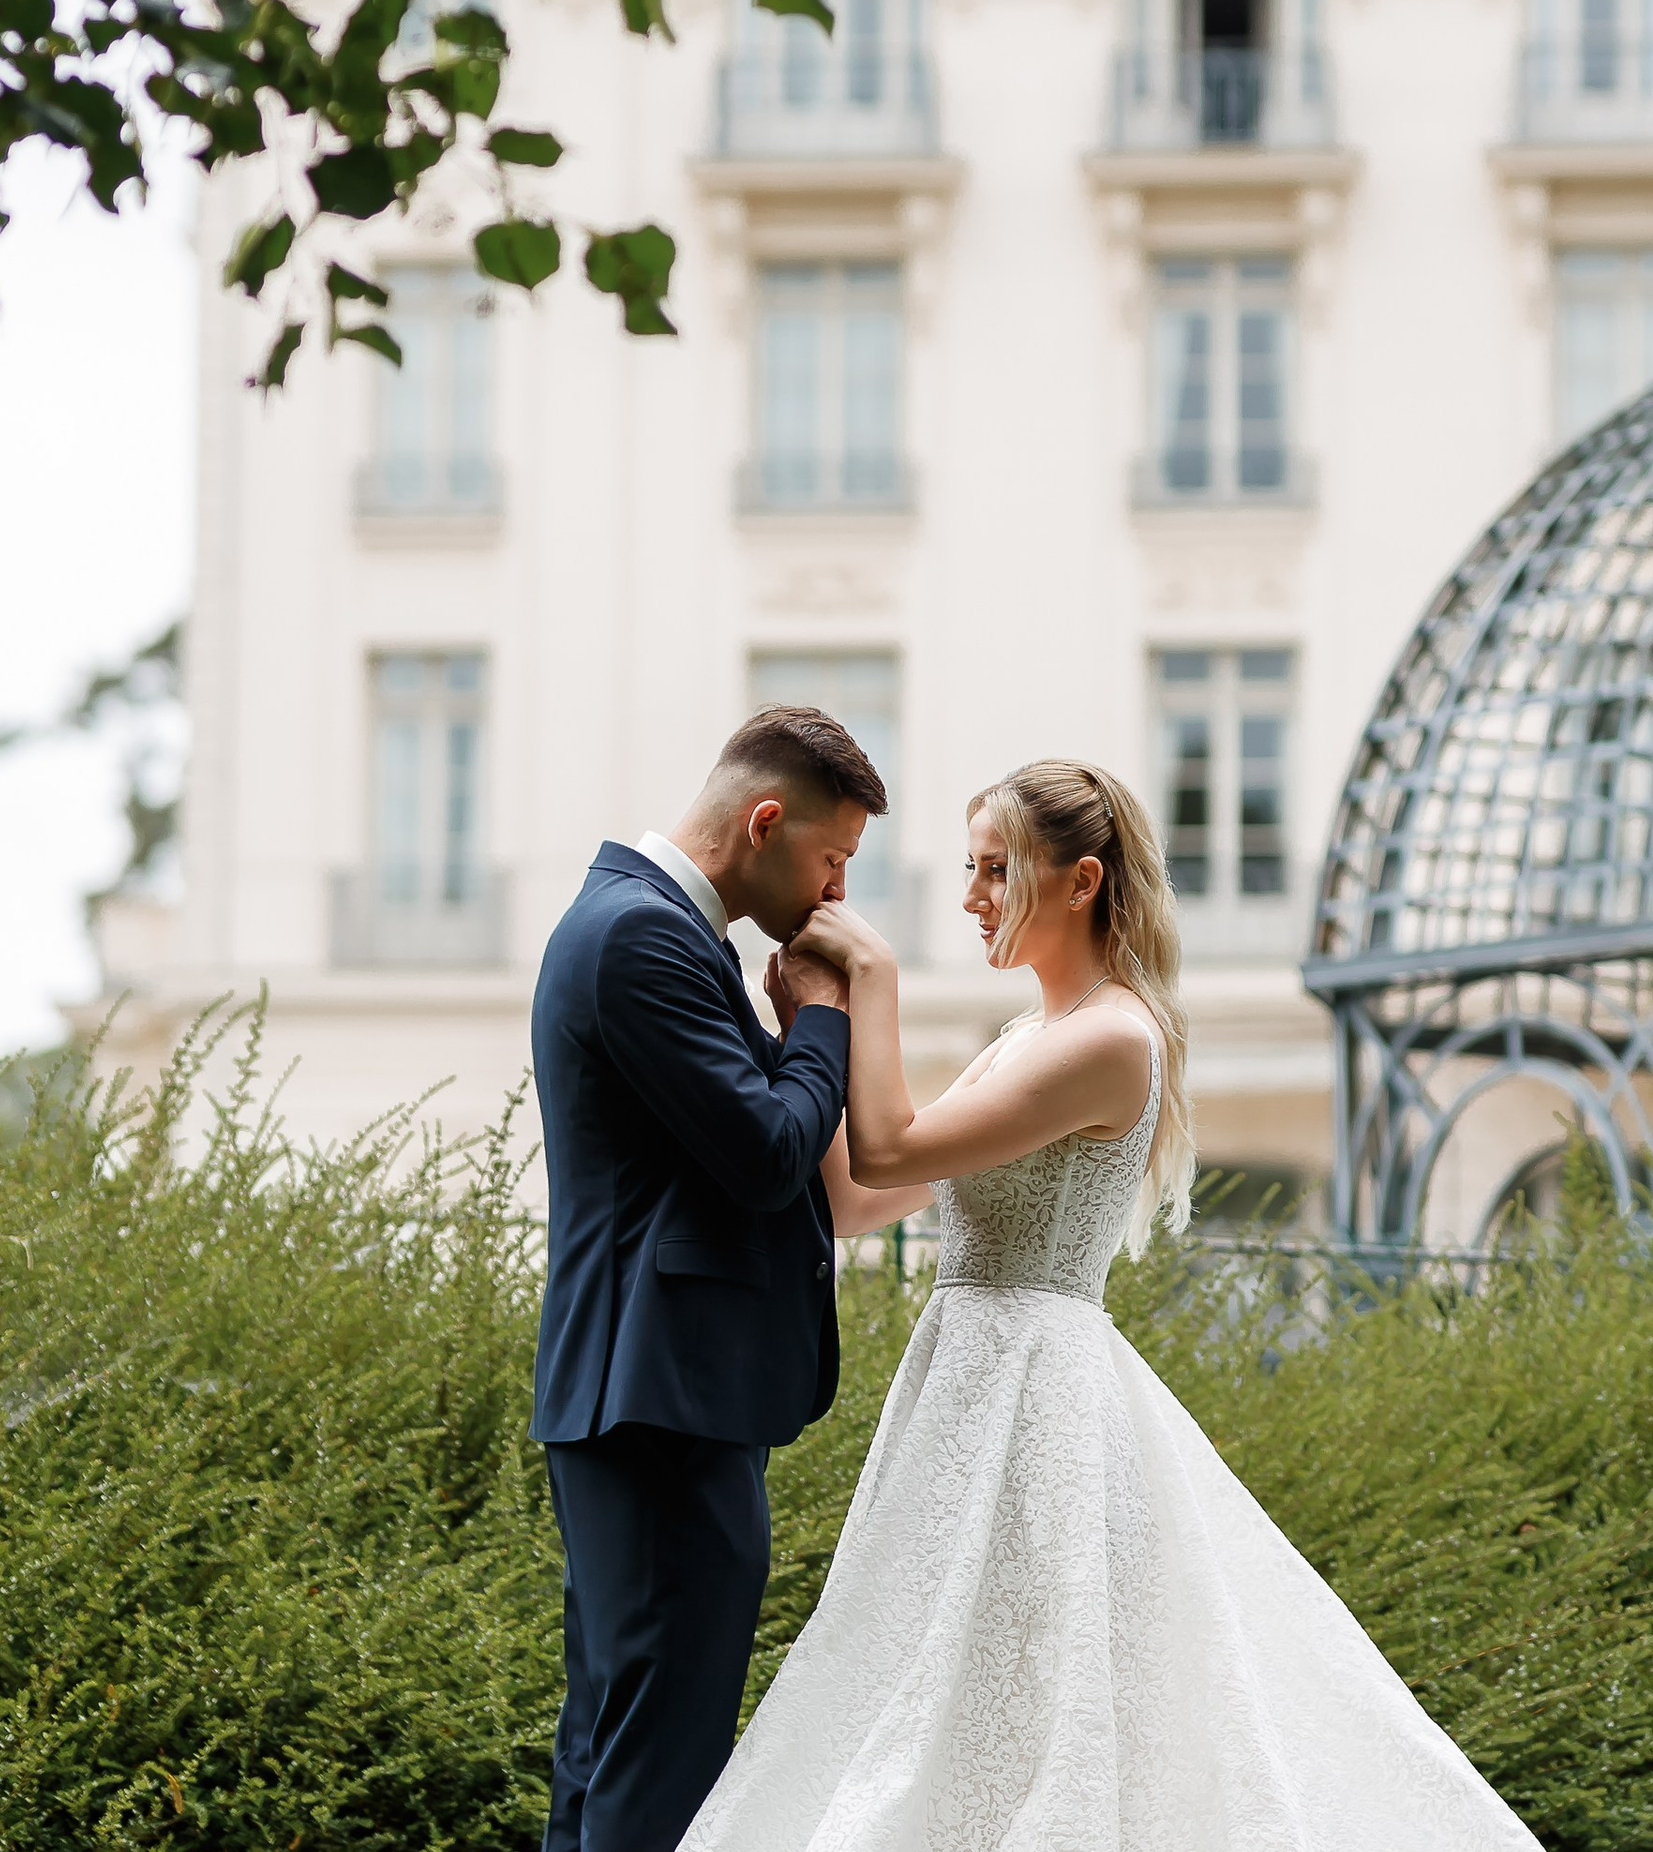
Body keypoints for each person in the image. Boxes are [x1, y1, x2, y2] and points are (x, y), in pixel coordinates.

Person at [682, 757, 1543, 1852]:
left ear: (1079, 880)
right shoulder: (1020, 1039)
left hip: (1040, 1397)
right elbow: (857, 1197)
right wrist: (813, 1026)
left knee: (1038, 1700)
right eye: (968, 868)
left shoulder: (1112, 1039)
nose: (971, 895)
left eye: (996, 870)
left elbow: (892, 1140)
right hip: (959, 1385)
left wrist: (875, 982)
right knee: (934, 1683)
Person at [531, 706, 924, 1852]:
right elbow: (765, 1154)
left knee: (610, 1746)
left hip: (651, 1396)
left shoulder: (656, 931)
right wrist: (818, 1019)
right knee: (658, 1764)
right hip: (657, 1401)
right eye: (832, 859)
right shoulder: (639, 936)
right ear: (765, 821)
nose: (836, 894)